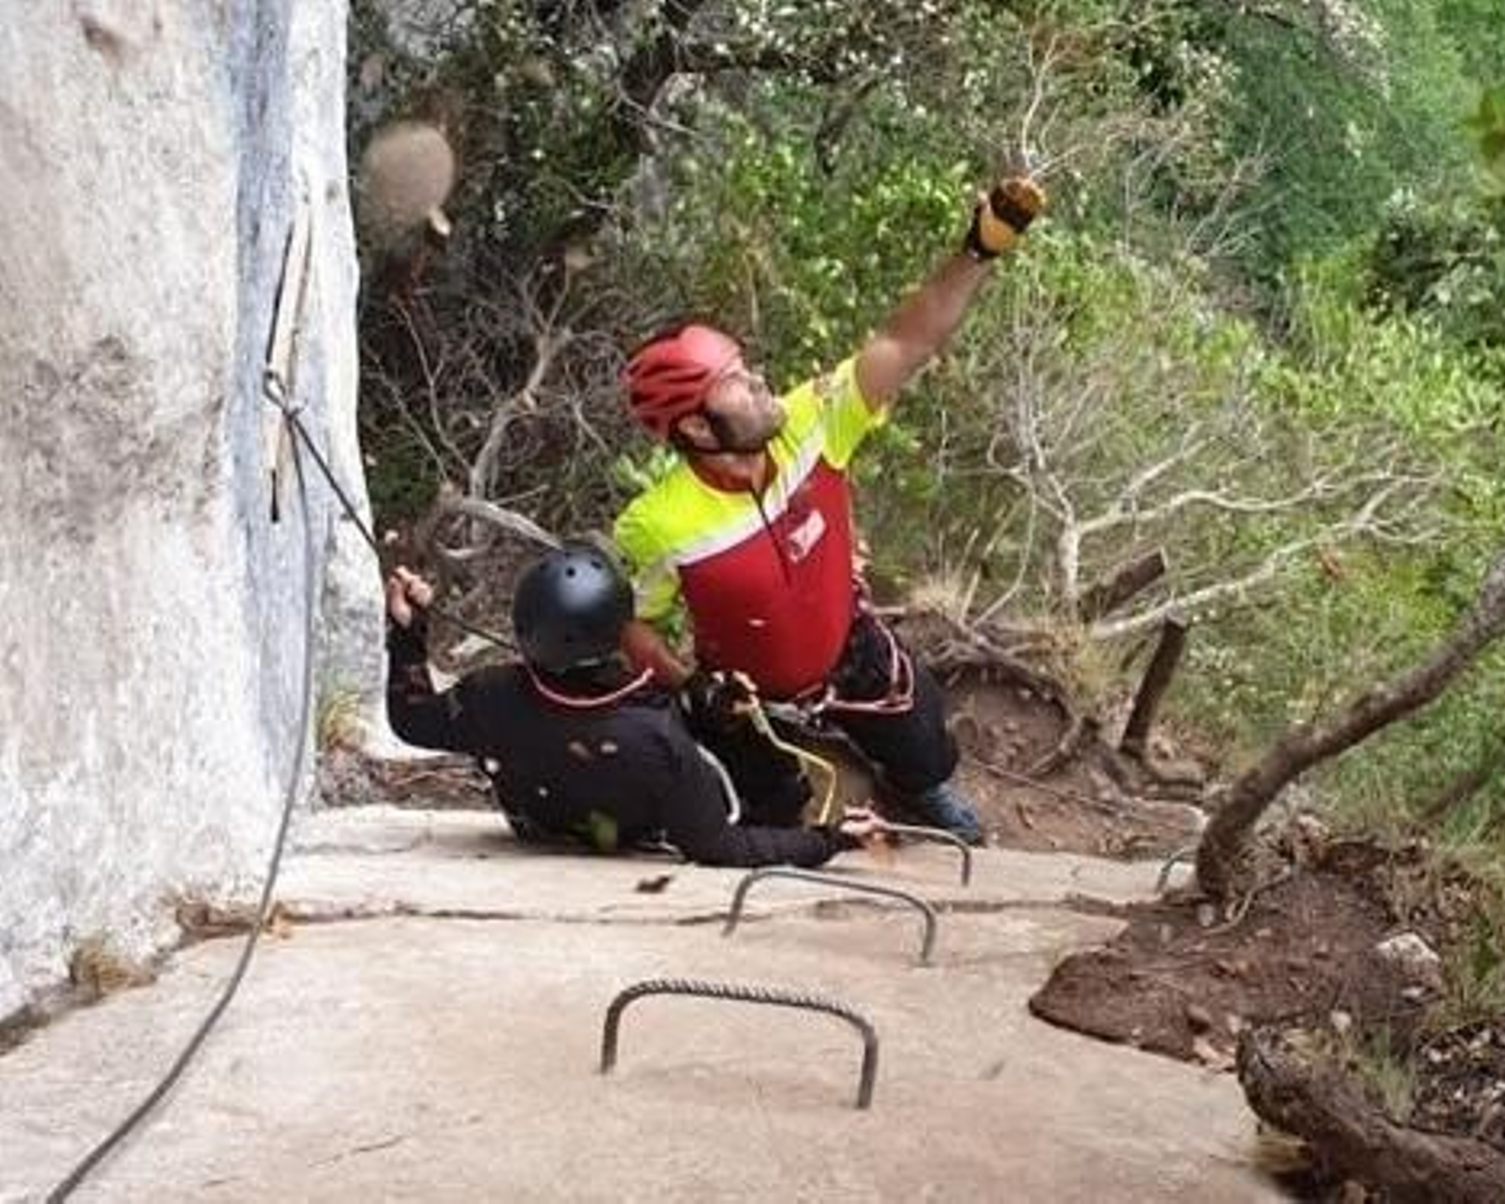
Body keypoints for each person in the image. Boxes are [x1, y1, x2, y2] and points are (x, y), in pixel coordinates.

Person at [613, 176, 1047, 845]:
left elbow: (906, 343)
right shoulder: (660, 522)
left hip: (848, 645)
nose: (759, 381)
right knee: (778, 809)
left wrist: (978, 250)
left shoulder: (812, 423)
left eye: (746, 365)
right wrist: (689, 683)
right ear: (697, 429)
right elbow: (634, 622)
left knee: (921, 736)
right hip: (749, 691)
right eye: (734, 382)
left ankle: (919, 785)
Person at [383, 540, 881, 867]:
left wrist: (409, 633)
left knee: (706, 709)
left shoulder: (490, 696)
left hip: (542, 820)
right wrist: (830, 839)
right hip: (634, 828)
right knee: (753, 750)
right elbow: (719, 846)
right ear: (618, 632)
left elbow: (411, 720)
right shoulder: (655, 734)